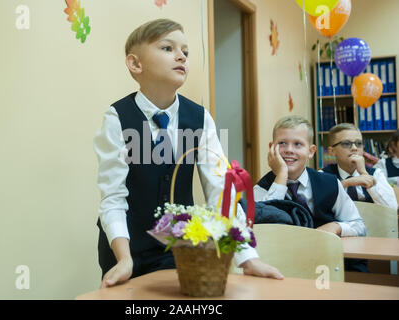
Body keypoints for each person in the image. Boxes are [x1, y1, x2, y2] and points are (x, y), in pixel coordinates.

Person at [94, 19, 283, 288]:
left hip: (178, 250)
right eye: (167, 48)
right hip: (123, 249)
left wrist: (247, 258)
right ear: (136, 64)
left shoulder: (200, 118)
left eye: (186, 51)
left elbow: (221, 190)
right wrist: (124, 258)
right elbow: (112, 197)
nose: (181, 55)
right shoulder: (117, 118)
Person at [253, 116, 367, 271]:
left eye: (298, 144)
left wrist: (337, 227)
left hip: (328, 263)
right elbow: (264, 231)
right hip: (283, 265)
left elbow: (359, 225)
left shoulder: (330, 183)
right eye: (282, 143)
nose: (289, 150)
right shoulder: (261, 189)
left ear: (311, 151)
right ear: (271, 148)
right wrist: (281, 175)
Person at [322, 123, 397, 210]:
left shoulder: (376, 173)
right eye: (346, 143)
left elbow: (392, 209)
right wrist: (347, 183)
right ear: (332, 151)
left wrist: (364, 174)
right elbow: (320, 208)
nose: (354, 148)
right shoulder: (323, 175)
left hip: (371, 223)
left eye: (358, 143)